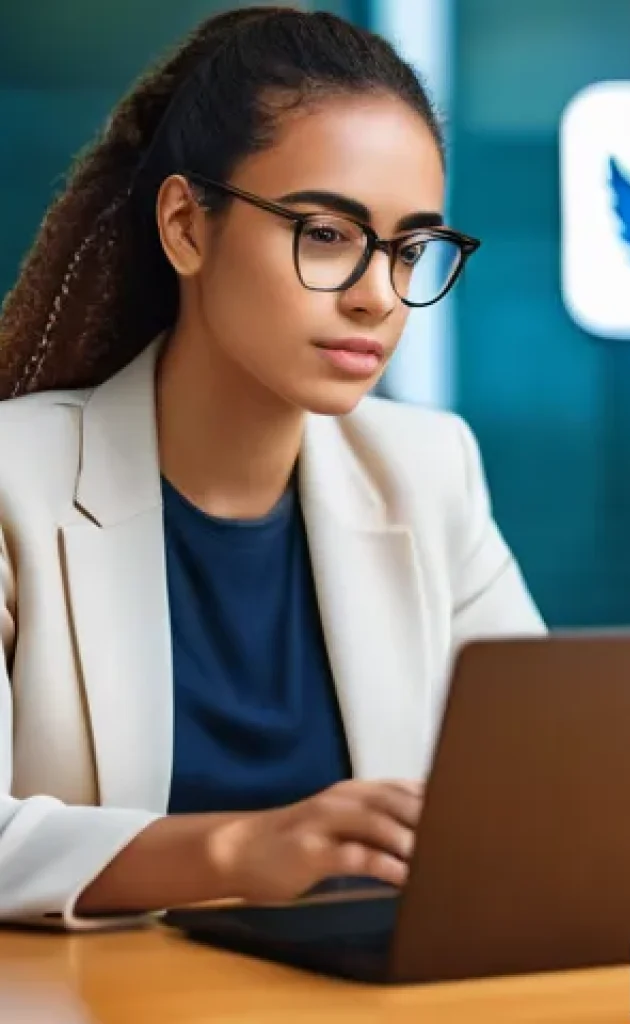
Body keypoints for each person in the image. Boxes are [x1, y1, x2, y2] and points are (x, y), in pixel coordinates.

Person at [0, 6, 544, 929]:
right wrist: (238, 850)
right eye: (327, 233)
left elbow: (549, 774)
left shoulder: (427, 468)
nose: (379, 296)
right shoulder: (15, 479)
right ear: (186, 226)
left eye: (409, 249)